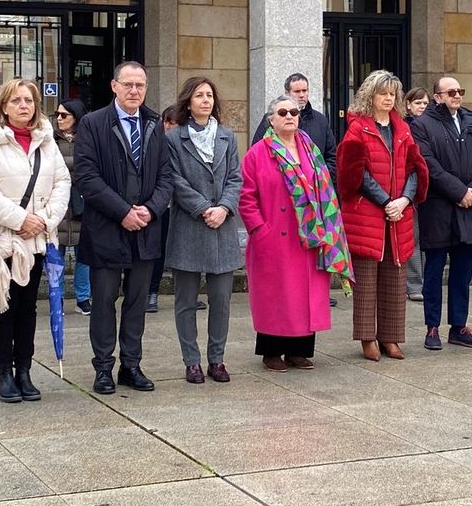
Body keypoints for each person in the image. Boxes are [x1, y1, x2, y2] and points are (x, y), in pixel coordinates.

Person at [73, 61, 173, 395]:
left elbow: (166, 176)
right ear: (114, 86)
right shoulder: (92, 123)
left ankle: (131, 365)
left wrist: (151, 209)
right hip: (106, 229)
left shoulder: (154, 123)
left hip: (145, 229)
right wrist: (122, 212)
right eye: (128, 84)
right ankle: (103, 367)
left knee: (137, 302)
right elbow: (86, 176)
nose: (134, 91)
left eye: (140, 85)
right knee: (103, 301)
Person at [0, 80, 71, 403]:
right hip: (4, 240)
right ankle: (4, 372)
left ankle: (24, 370)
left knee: (28, 308)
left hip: (37, 239)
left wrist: (44, 220)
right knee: (3, 307)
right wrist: (20, 220)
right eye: (16, 101)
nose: (23, 106)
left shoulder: (46, 140)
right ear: (4, 105)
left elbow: (62, 182)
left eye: (28, 100)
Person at [240, 94, 352, 371]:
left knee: (304, 295)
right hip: (274, 237)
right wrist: (260, 229)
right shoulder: (258, 153)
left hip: (309, 235)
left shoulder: (310, 148)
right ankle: (271, 352)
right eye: (282, 113)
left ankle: (298, 351)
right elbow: (246, 197)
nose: (289, 116)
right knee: (276, 296)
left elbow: (325, 189)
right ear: (271, 120)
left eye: (293, 112)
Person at [336, 69, 428, 362]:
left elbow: (416, 168)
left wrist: (404, 200)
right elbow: (355, 173)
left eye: (392, 94)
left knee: (395, 278)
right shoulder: (358, 129)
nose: (388, 99)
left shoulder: (403, 129)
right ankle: (368, 339)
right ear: (370, 96)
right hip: (368, 214)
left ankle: (390, 337)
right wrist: (386, 201)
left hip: (398, 214)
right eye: (383, 94)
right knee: (366, 281)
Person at [165, 76, 244, 384]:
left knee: (221, 300)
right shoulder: (174, 138)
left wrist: (223, 208)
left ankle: (217, 360)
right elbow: (173, 179)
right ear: (188, 102)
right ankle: (192, 362)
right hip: (189, 226)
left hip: (222, 228)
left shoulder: (227, 136)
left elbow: (235, 178)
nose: (205, 100)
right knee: (185, 301)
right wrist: (202, 208)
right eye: (199, 95)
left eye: (209, 95)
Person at [411, 76, 472, 350]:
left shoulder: (470, 120)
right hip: (439, 208)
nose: (457, 95)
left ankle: (459, 326)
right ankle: (432, 328)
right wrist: (459, 192)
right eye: (451, 92)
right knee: (434, 270)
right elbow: (428, 164)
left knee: (462, 272)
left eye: (460, 91)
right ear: (437, 97)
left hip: (469, 207)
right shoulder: (422, 124)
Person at [251, 72, 338, 170]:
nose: (302, 95)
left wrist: (322, 176)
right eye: (297, 91)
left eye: (304, 90)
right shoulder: (273, 118)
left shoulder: (321, 120)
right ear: (287, 93)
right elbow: (256, 153)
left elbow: (331, 156)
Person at [146, 104, 185, 314]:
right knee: (157, 251)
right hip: (160, 205)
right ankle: (152, 293)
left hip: (181, 206)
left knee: (181, 250)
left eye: (174, 123)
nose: (169, 127)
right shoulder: (155, 142)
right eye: (167, 122)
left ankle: (186, 294)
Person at [54, 99, 91, 315]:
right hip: (57, 203)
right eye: (57, 115)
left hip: (80, 201)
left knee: (84, 255)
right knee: (55, 255)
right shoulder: (50, 140)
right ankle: (56, 296)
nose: (59, 119)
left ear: (76, 117)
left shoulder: (87, 139)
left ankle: (83, 297)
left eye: (64, 115)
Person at [402, 86, 430, 303]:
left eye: (425, 103)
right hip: (409, 189)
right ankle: (413, 284)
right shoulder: (404, 128)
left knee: (427, 238)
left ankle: (425, 283)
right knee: (413, 237)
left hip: (431, 190)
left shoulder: (432, 126)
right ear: (408, 105)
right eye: (418, 103)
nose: (422, 107)